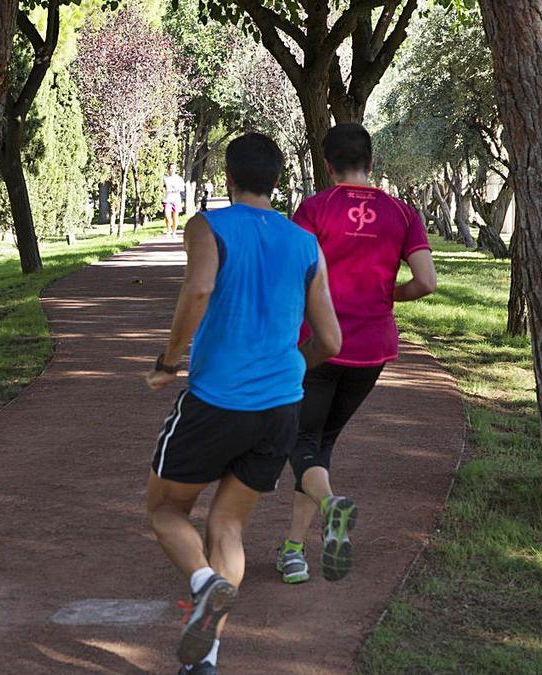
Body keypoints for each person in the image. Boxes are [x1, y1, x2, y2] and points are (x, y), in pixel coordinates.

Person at [144, 133, 342, 674]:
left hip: (215, 402)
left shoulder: (208, 226)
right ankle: (203, 655)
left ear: (228, 177)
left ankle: (204, 583)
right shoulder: (305, 242)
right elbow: (330, 341)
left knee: (165, 510)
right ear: (277, 181)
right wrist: (292, 367)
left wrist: (168, 361)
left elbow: (199, 290)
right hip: (281, 408)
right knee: (227, 528)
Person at [273, 123, 437, 586]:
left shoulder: (314, 209)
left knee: (300, 443)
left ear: (326, 165)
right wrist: (388, 296)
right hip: (372, 349)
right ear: (372, 162)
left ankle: (329, 509)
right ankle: (292, 552)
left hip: (317, 346)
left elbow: (289, 275)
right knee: (318, 446)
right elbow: (426, 281)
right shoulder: (403, 214)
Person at [162, 163, 186, 236]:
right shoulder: (165, 177)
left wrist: (177, 189)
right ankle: (168, 228)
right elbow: (162, 186)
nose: (172, 170)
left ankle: (174, 231)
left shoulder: (179, 178)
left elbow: (182, 188)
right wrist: (164, 188)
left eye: (173, 168)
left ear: (176, 169)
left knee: (175, 217)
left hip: (176, 199)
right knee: (167, 215)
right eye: (171, 168)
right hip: (167, 199)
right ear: (168, 169)